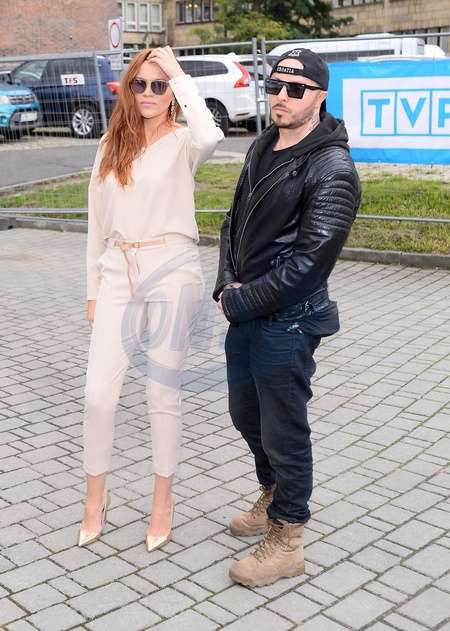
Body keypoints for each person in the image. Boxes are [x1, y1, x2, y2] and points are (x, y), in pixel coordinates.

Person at [214, 48, 361, 587]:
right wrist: (224, 282)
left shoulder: (333, 169)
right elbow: (233, 222)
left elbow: (308, 266)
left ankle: (288, 538)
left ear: (319, 96)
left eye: (294, 89)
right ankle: (272, 493)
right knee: (246, 416)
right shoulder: (263, 144)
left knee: (284, 429)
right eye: (274, 86)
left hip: (290, 321)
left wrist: (240, 300)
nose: (280, 96)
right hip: (245, 313)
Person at [78, 46, 223, 551]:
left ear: (172, 93)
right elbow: (96, 226)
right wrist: (94, 291)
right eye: (139, 83)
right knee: (98, 395)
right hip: (117, 271)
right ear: (128, 88)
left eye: (159, 85)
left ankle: (163, 502)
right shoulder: (109, 145)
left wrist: (178, 73)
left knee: (161, 394)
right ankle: (95, 499)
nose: (148, 93)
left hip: (172, 270)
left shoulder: (185, 142)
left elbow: (212, 134)